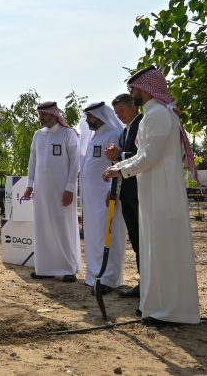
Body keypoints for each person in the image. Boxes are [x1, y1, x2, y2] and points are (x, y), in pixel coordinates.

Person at [104, 66, 200, 327]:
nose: (132, 93)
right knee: (155, 251)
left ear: (145, 88)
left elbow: (150, 157)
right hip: (154, 191)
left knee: (164, 250)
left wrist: (120, 169)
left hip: (162, 193)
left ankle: (169, 310)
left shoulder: (157, 114)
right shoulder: (154, 114)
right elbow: (144, 156)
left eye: (133, 88)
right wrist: (119, 169)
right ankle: (158, 307)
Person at [22, 101, 82, 283]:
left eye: (44, 115)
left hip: (62, 191)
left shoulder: (68, 134)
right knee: (42, 227)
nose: (41, 118)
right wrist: (29, 184)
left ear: (54, 114)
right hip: (41, 190)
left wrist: (70, 188)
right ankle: (44, 268)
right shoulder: (38, 135)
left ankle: (67, 268)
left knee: (63, 226)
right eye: (39, 115)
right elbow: (33, 161)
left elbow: (75, 163)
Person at [79, 101, 126, 292]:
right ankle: (95, 275)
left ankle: (108, 279)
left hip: (107, 198)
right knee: (94, 237)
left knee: (109, 237)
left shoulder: (113, 134)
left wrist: (115, 190)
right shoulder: (95, 136)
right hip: (92, 199)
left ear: (99, 116)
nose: (88, 120)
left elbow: (118, 166)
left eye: (90, 116)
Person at [105, 93, 144, 298]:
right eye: (117, 113)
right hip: (127, 193)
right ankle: (143, 282)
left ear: (133, 106)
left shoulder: (143, 124)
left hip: (141, 193)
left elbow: (145, 156)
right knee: (136, 241)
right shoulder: (123, 132)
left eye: (122, 111)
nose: (119, 116)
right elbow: (121, 163)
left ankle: (149, 284)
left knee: (144, 240)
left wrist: (118, 155)